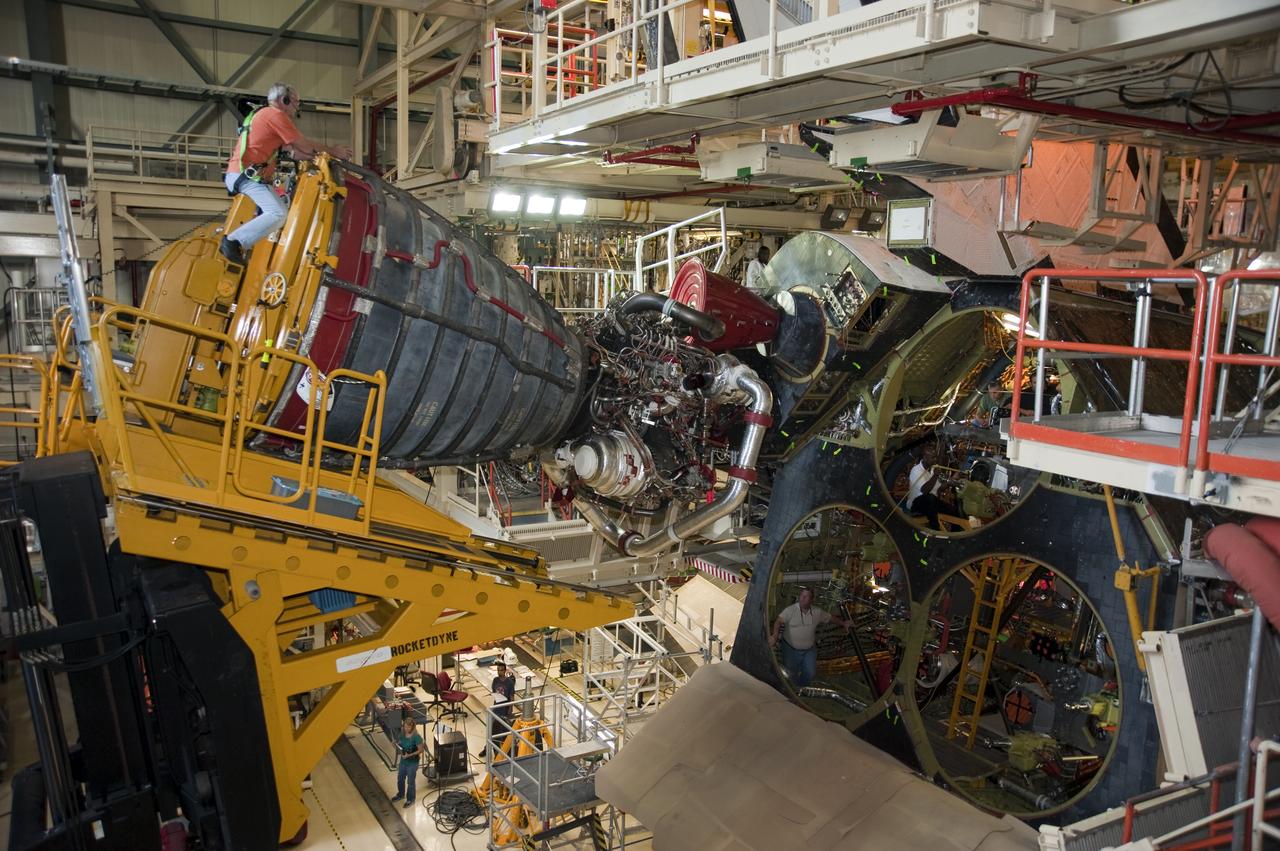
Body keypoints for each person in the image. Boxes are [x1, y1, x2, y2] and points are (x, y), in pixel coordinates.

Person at [220, 82, 353, 266]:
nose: (297, 108)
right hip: (247, 177)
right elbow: (303, 145)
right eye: (296, 103)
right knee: (277, 213)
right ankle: (233, 242)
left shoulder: (265, 117)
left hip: (244, 175)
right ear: (285, 100)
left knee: (280, 211)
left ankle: (243, 245)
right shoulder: (275, 116)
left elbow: (295, 152)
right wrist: (333, 150)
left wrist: (323, 157)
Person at [768, 587, 852, 687]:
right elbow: (778, 621)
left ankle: (800, 688)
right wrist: (775, 636)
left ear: (812, 600)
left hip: (809, 650)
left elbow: (830, 618)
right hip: (790, 648)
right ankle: (792, 688)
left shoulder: (817, 612)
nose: (803, 598)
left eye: (806, 596)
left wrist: (843, 623)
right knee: (791, 673)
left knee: (810, 673)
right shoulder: (790, 610)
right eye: (802, 596)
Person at [905, 445, 958, 531]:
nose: (935, 460)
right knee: (930, 498)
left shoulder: (932, 469)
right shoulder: (916, 470)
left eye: (936, 457)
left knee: (953, 510)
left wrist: (950, 481)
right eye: (933, 458)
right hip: (916, 504)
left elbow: (939, 489)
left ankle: (956, 533)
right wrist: (935, 475)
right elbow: (925, 490)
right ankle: (935, 528)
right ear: (925, 457)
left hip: (931, 504)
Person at [391, 716, 423, 808]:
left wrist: (410, 755)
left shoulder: (416, 737)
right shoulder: (402, 734)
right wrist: (394, 744)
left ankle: (411, 799)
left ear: (412, 727)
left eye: (408, 727)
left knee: (410, 782)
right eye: (405, 727)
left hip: (412, 763)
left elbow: (420, 750)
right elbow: (400, 746)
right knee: (400, 779)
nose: (406, 729)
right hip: (403, 761)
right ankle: (401, 794)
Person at [489, 660, 517, 744]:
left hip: (505, 708)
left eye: (501, 670)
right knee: (493, 728)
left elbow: (511, 697)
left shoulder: (509, 683)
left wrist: (510, 708)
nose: (499, 672)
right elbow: (494, 692)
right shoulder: (495, 680)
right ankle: (490, 745)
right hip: (496, 707)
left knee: (504, 729)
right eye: (498, 670)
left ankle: (504, 744)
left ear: (505, 671)